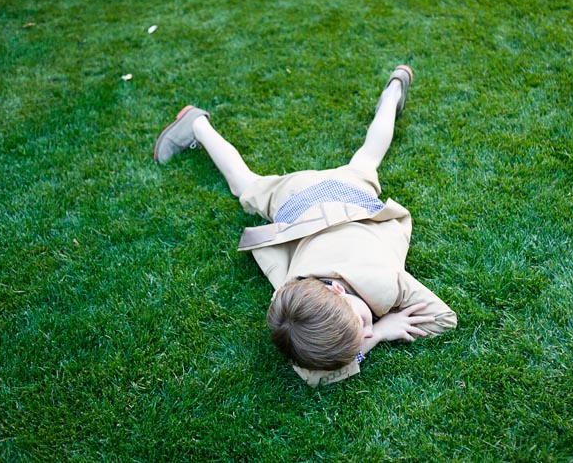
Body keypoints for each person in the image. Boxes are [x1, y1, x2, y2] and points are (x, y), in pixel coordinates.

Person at [153, 66, 457, 386]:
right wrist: (378, 333)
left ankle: (197, 125)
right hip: (308, 202)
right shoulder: (288, 302)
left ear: (336, 290)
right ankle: (392, 91)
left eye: (364, 325)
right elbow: (314, 374)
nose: (369, 330)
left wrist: (379, 331)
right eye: (366, 329)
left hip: (328, 199)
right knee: (363, 157)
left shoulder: (385, 282)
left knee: (358, 162)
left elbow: (444, 320)